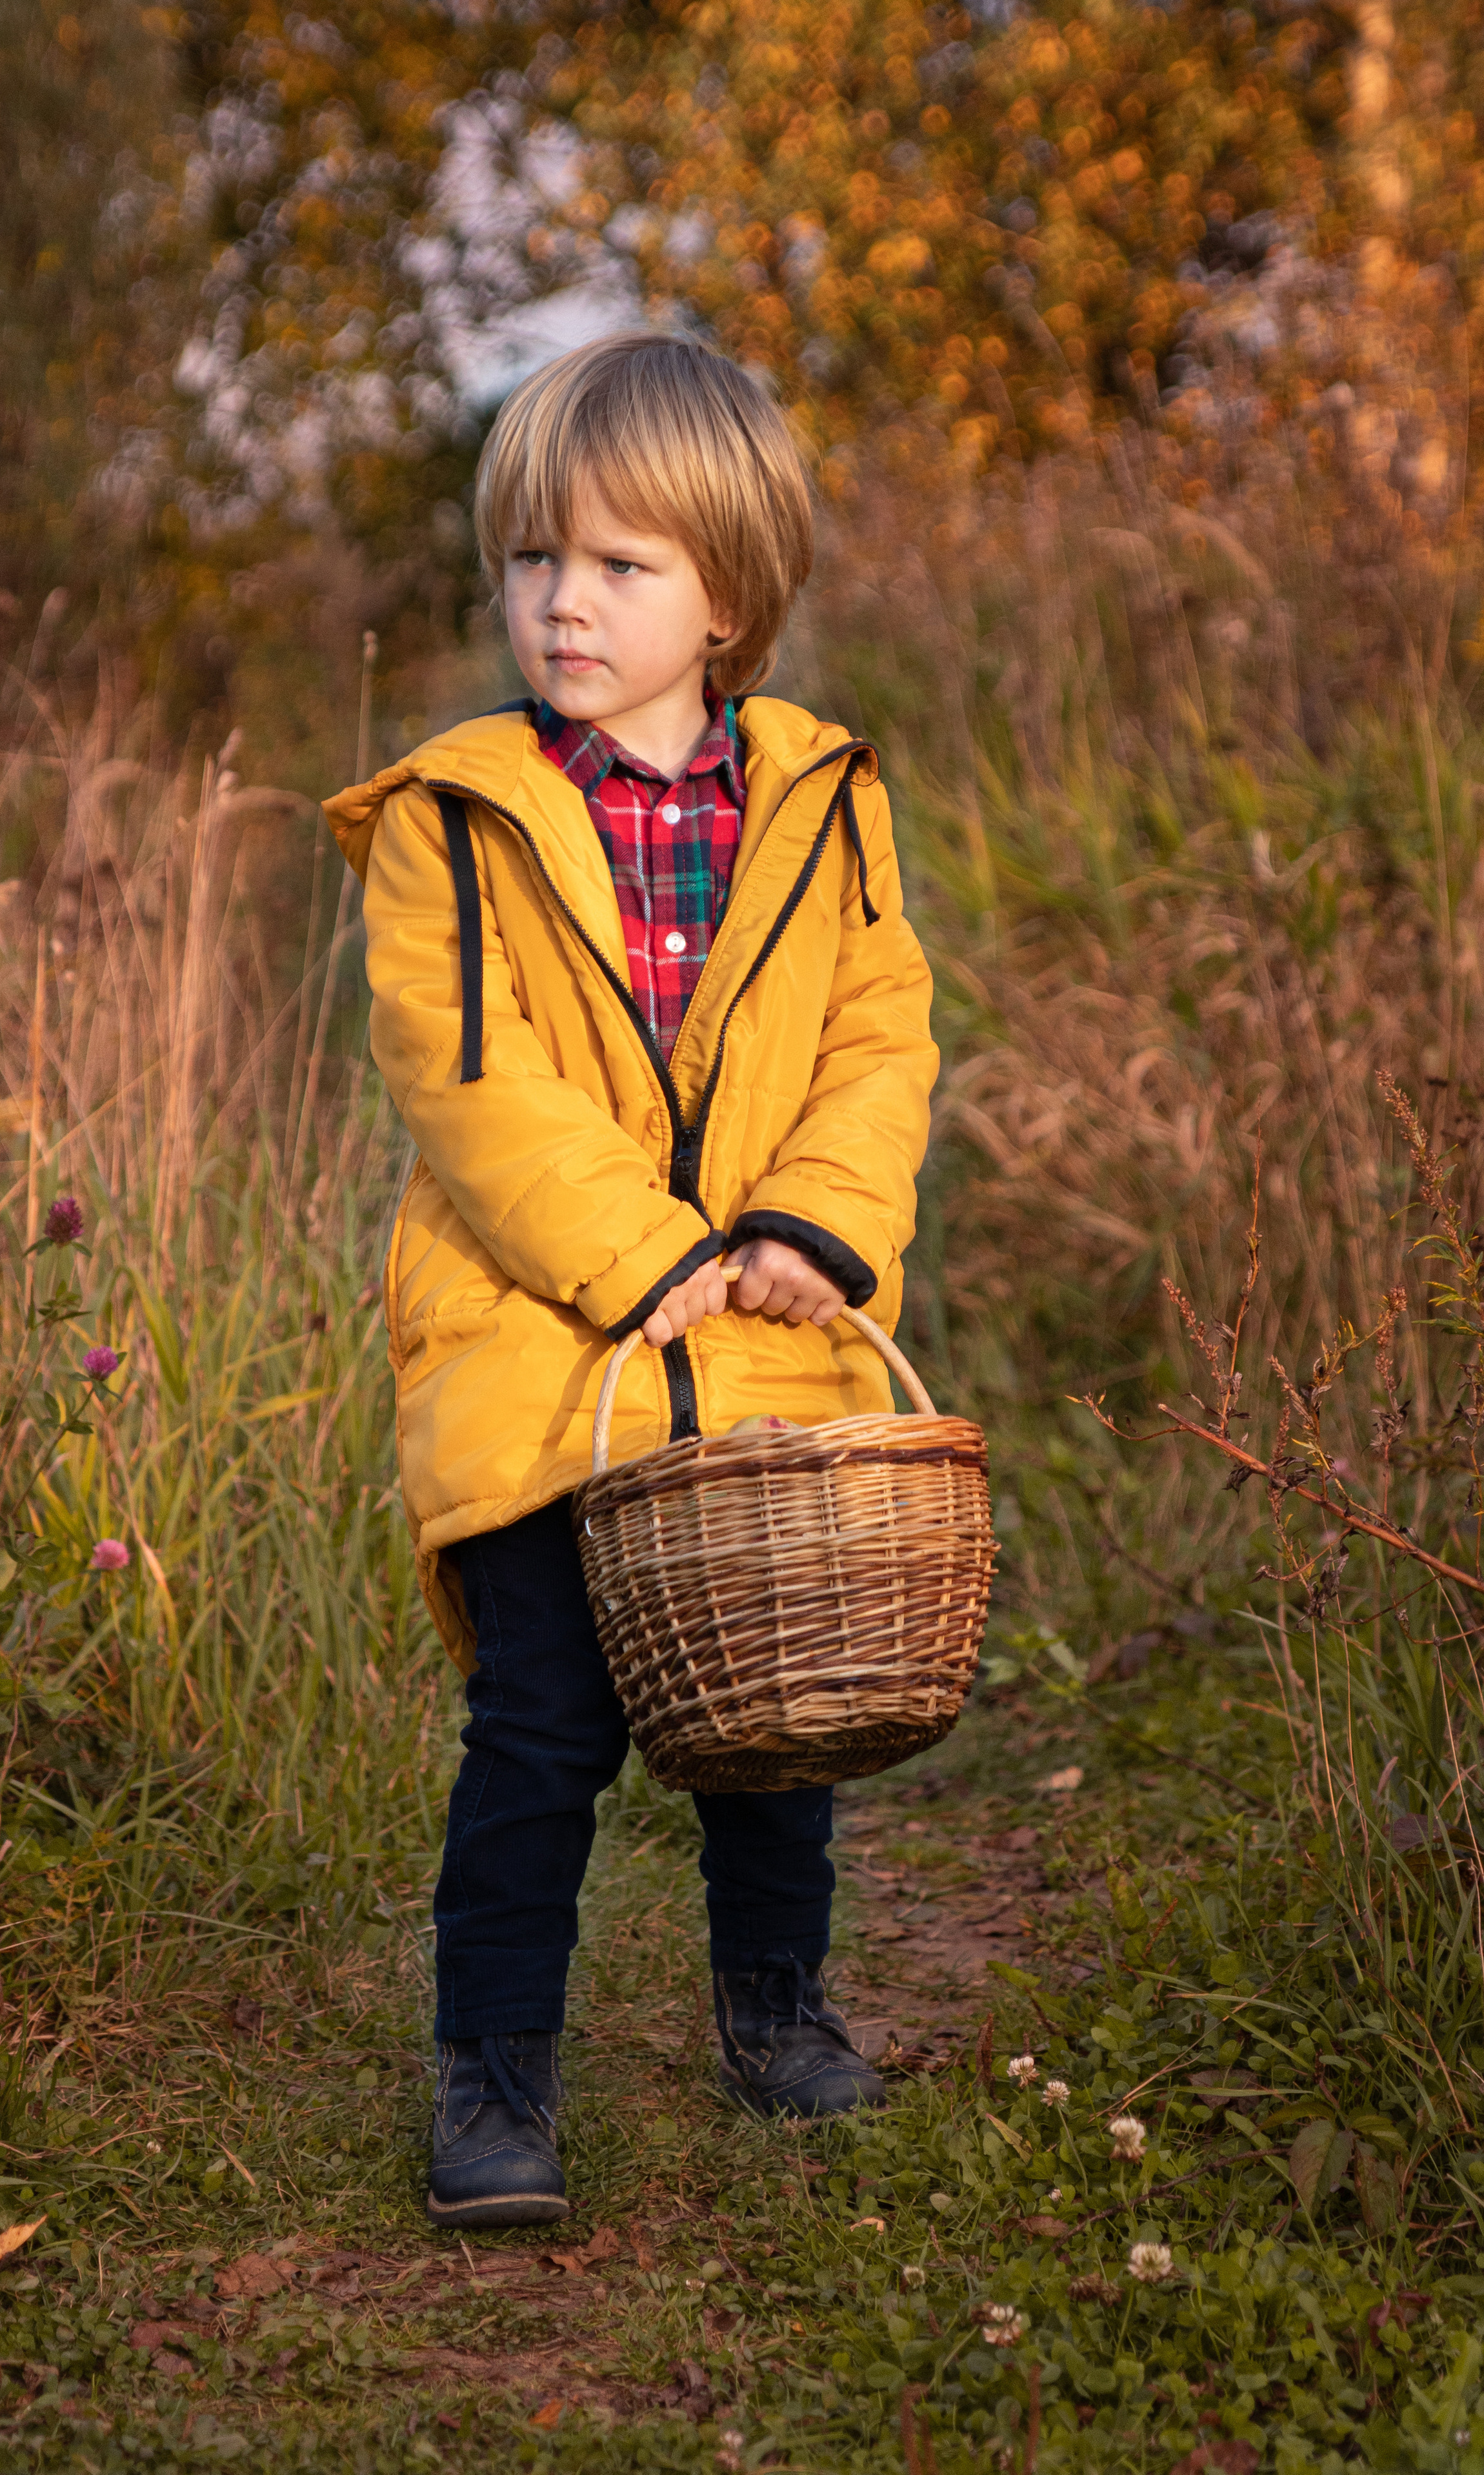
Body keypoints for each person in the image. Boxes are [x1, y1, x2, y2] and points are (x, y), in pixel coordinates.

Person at [323, 332, 939, 2229]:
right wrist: (648, 1246)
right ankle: (493, 2072)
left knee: (774, 1722)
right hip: (541, 1353)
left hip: (763, 1346)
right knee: (539, 1733)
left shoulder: (827, 803)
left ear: (728, 600)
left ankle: (775, 2006)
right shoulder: (454, 818)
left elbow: (876, 1036)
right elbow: (472, 1080)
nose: (562, 601)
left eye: (618, 565)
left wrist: (810, 1230)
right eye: (532, 559)